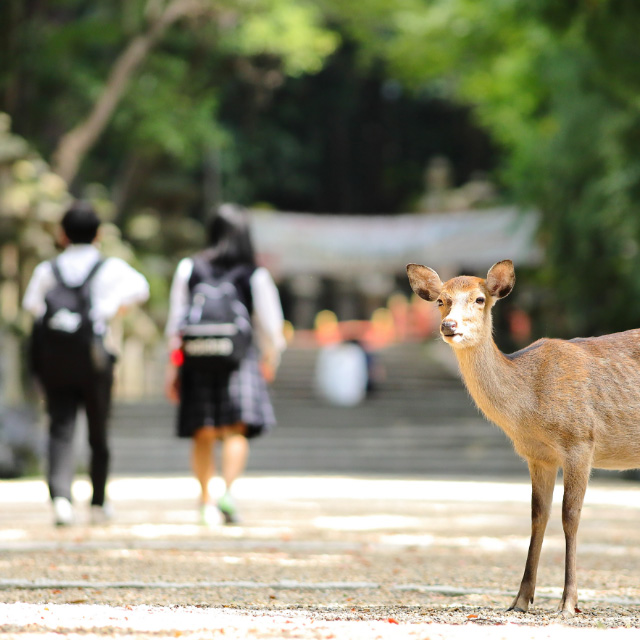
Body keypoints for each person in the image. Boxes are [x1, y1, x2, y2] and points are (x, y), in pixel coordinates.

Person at [22, 201, 150, 526]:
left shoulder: (47, 270)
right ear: (98, 234)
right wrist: (113, 309)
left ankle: (61, 500)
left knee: (60, 427)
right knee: (99, 429)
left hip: (57, 361)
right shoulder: (111, 268)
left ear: (62, 235)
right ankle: (98, 500)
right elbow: (142, 289)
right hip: (96, 358)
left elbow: (33, 308)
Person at [164, 204, 286, 526]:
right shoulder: (253, 273)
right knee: (236, 430)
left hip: (196, 357)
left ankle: (205, 501)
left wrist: (173, 367)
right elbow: (272, 326)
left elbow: (176, 322)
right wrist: (270, 358)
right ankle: (228, 494)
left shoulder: (189, 268)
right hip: (239, 358)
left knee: (202, 432)